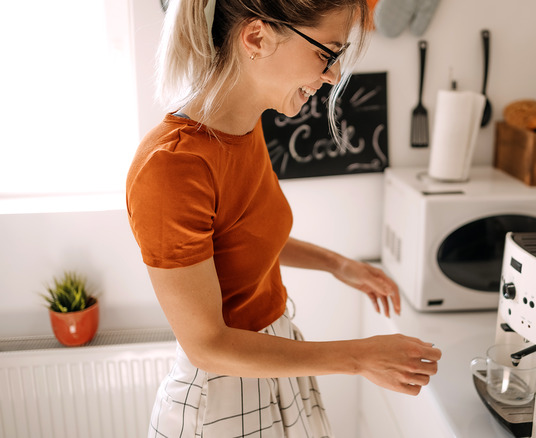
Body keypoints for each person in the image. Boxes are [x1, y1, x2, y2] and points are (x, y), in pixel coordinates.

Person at [125, 0, 442, 437]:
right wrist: (359, 356)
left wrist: (340, 265)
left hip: (275, 362)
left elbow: (245, 238)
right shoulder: (171, 167)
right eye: (327, 52)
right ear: (257, 37)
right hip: (223, 392)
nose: (332, 74)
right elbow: (207, 345)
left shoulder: (245, 126)